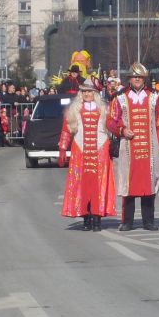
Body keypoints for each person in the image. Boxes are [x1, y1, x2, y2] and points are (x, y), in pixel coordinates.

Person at [107, 62, 159, 231]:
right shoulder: (119, 98)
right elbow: (110, 121)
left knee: (149, 183)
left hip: (150, 148)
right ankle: (127, 221)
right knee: (128, 185)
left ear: (144, 79)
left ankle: (148, 221)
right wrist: (122, 130)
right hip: (128, 148)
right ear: (129, 79)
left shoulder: (156, 97)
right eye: (134, 77)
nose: (137, 79)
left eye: (140, 77)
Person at [58, 78, 116, 231]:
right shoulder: (74, 110)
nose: (87, 94)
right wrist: (63, 148)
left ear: (95, 93)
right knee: (82, 186)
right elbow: (66, 129)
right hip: (81, 151)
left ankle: (97, 219)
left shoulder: (104, 110)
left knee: (98, 186)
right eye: (84, 91)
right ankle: (86, 219)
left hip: (100, 150)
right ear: (80, 93)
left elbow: (113, 126)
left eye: (90, 91)